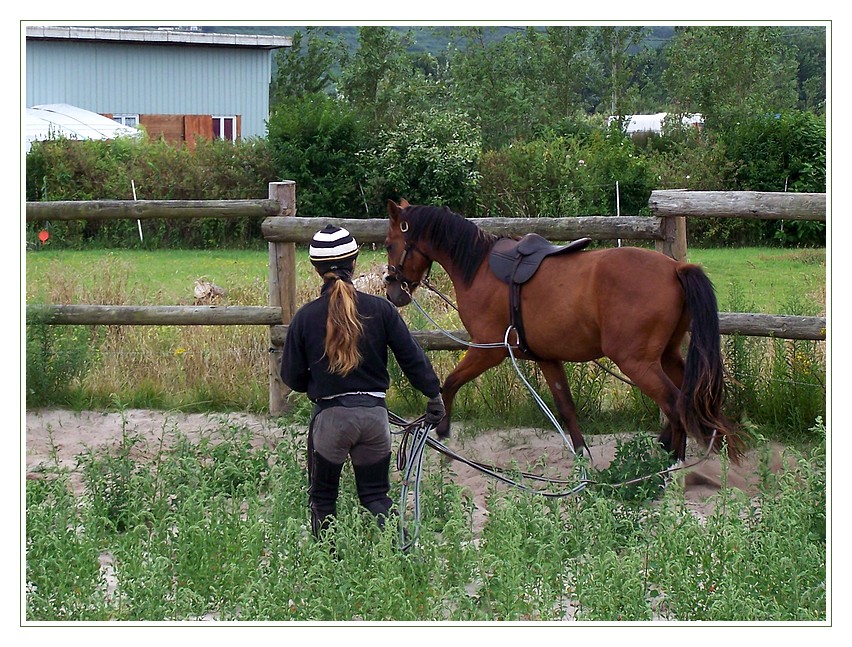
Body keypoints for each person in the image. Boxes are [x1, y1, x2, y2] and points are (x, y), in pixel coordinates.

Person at [281, 224, 445, 540]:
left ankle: (327, 567)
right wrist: (434, 396)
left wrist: (319, 382)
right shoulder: (381, 309)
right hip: (374, 418)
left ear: (315, 268)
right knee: (375, 497)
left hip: (330, 420)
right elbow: (412, 358)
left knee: (323, 500)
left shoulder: (305, 317)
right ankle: (403, 558)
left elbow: (292, 378)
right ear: (353, 262)